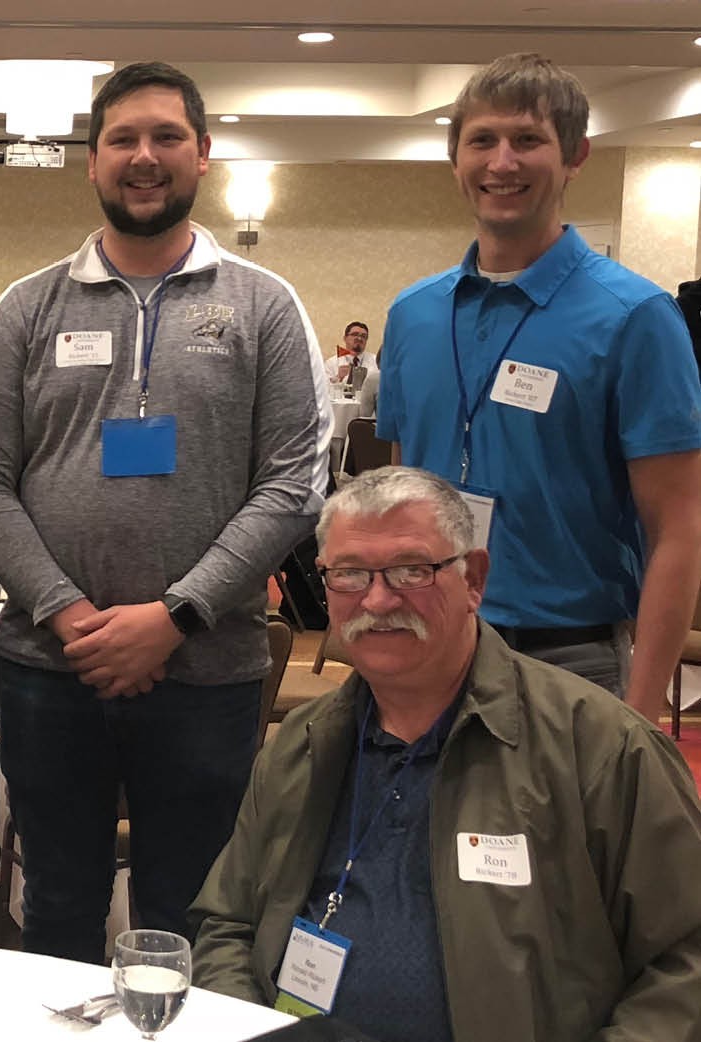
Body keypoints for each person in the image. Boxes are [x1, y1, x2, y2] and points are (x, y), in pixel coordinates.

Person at [0, 60, 331, 962]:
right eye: (122, 138)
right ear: (91, 160)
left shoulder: (263, 306)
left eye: (165, 137)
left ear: (203, 153)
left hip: (207, 672)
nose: (143, 156)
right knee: (54, 912)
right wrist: (71, 614)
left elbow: (292, 484)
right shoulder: (26, 306)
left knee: (190, 920)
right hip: (50, 668)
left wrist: (173, 615)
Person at [190, 466, 701, 1042]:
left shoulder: (603, 748)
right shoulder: (302, 745)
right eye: (350, 574)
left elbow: (686, 963)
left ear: (474, 579)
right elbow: (227, 926)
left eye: (413, 570)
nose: (378, 600)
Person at [377, 53, 701, 721]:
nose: (502, 163)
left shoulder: (634, 317)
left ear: (574, 155)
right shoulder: (413, 313)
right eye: (482, 140)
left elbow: (677, 526)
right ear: (454, 155)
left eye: (527, 140)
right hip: (427, 645)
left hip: (566, 659)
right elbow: (400, 487)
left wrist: (640, 714)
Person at [322, 321, 376, 386]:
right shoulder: (331, 363)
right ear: (345, 338)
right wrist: (338, 377)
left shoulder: (376, 361)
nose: (359, 338)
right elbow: (323, 389)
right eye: (355, 334)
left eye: (363, 336)